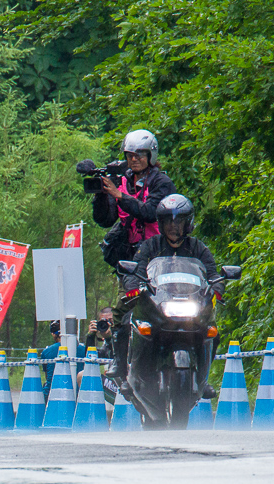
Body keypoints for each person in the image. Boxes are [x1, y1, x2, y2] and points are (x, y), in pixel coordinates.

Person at [79, 129, 175, 377]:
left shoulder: (162, 183)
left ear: (151, 155)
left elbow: (150, 211)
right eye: (130, 155)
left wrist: (118, 195)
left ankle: (188, 358)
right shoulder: (120, 180)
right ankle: (119, 362)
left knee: (174, 305)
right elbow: (105, 219)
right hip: (131, 261)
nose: (134, 159)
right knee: (124, 307)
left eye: (140, 155)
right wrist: (102, 195)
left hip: (159, 256)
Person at [117, 194, 223, 397]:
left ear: (188, 223)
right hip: (158, 303)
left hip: (191, 304)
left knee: (212, 331)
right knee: (125, 322)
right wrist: (134, 287)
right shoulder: (150, 246)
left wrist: (217, 288)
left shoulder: (198, 248)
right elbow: (136, 270)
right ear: (161, 223)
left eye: (179, 221)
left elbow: (213, 274)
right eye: (168, 221)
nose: (174, 226)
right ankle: (124, 372)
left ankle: (203, 379)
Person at [41, 320, 87, 400]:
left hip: (51, 393)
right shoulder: (83, 350)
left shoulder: (47, 352)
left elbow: (47, 376)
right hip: (79, 394)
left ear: (53, 334)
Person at [82, 306, 119, 403]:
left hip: (128, 385)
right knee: (82, 376)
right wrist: (91, 336)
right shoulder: (106, 342)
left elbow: (120, 356)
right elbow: (91, 361)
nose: (107, 325)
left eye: (110, 321)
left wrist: (111, 338)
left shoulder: (126, 334)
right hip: (114, 385)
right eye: (103, 321)